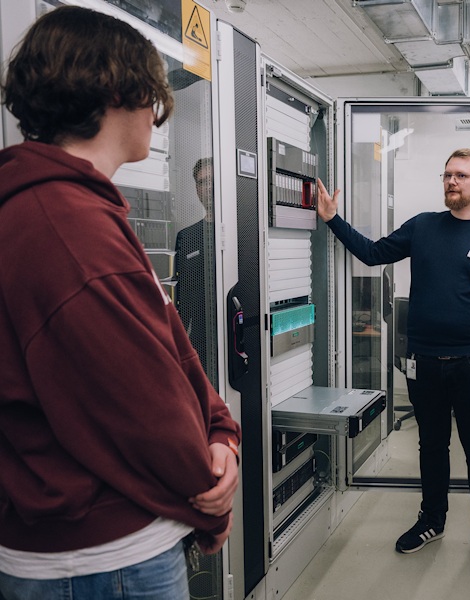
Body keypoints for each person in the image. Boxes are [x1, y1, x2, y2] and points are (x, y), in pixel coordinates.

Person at [0, 7, 241, 599]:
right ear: (118, 90)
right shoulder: (64, 226)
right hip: (102, 559)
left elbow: (166, 342)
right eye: (152, 92)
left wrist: (218, 426)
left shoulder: (74, 210)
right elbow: (142, 402)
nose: (158, 112)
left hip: (90, 548)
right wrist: (208, 498)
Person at [316, 148, 470, 575]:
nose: (452, 181)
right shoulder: (423, 227)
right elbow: (373, 253)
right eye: (447, 174)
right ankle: (433, 520)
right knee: (431, 447)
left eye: (462, 176)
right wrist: (333, 219)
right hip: (425, 362)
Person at [175, 157, 215, 370]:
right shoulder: (187, 237)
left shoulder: (242, 232)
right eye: (201, 182)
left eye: (211, 180)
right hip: (201, 337)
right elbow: (182, 296)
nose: (207, 187)